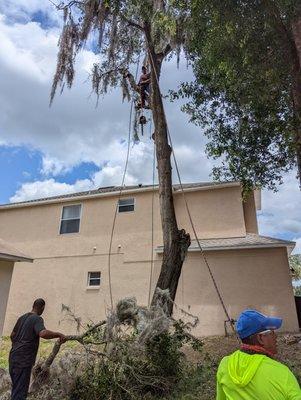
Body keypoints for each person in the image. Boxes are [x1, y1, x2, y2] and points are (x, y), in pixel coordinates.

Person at [216, 309, 301, 400]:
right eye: (271, 332)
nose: (276, 336)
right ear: (260, 338)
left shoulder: (225, 365)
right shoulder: (282, 373)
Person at [9, 298, 66, 400]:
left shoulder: (21, 318)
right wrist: (58, 334)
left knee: (16, 390)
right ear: (42, 307)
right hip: (23, 361)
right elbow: (43, 333)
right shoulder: (37, 319)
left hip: (13, 358)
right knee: (20, 394)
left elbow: (12, 335)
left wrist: (19, 345)